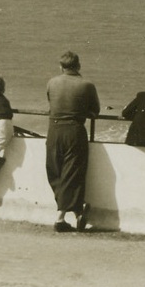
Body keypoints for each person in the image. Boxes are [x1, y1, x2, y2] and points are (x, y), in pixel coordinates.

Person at [45, 51, 101, 233]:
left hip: (54, 129)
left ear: (61, 67)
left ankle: (75, 212)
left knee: (54, 171)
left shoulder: (52, 82)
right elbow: (95, 110)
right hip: (75, 130)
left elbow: (50, 103)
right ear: (79, 66)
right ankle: (67, 214)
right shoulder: (87, 84)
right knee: (72, 172)